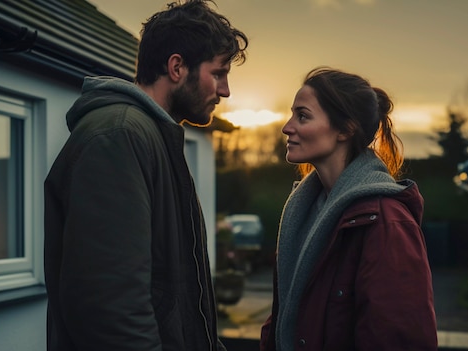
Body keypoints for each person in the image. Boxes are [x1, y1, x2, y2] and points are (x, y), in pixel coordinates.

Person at [44, 1, 248, 350]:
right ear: (177, 67)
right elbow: (111, 307)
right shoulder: (119, 137)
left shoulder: (152, 137)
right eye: (218, 73)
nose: (226, 90)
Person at [260, 67, 438, 351]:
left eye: (302, 116)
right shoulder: (303, 212)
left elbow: (398, 339)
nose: (287, 127)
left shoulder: (386, 221)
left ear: (345, 129)